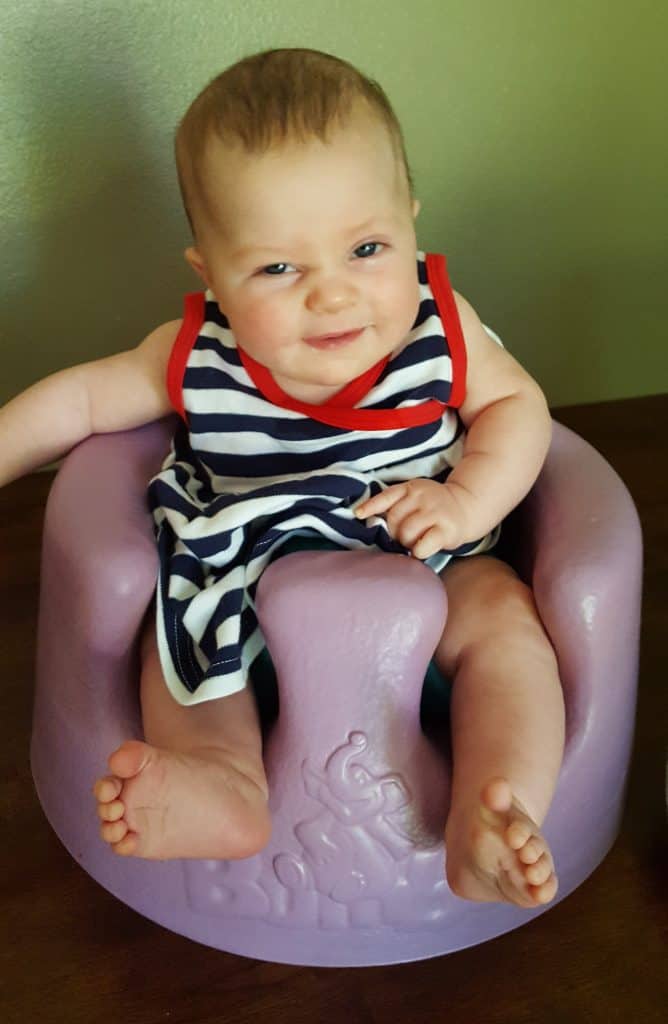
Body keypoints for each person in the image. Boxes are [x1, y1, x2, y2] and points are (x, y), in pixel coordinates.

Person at [0, 48, 564, 908]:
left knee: (510, 631)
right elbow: (78, 402)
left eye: (367, 248)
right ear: (212, 274)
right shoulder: (193, 352)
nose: (333, 296)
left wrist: (466, 500)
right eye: (277, 268)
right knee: (179, 646)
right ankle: (224, 782)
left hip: (432, 559)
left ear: (410, 224)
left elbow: (521, 408)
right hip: (246, 573)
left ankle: (497, 808)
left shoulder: (443, 324)